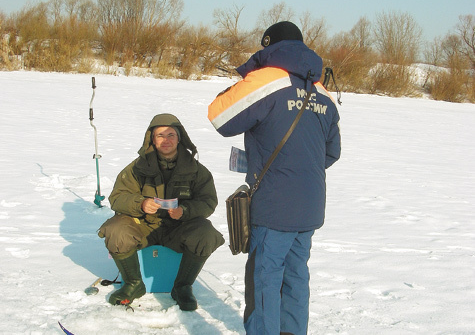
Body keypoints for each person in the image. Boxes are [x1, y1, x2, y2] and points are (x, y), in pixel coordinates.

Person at [208, 21, 341, 334]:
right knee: (296, 277)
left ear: (268, 47)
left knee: (266, 281)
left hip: (273, 207)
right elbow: (331, 153)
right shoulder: (323, 92)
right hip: (310, 207)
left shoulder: (266, 79)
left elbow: (219, 115)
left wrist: (248, 76)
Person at [98, 113, 224, 311]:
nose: (166, 140)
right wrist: (140, 204)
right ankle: (133, 284)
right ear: (152, 139)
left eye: (171, 135)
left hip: (179, 229)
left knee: (206, 234)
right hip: (143, 227)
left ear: (179, 138)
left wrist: (185, 210)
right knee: (115, 229)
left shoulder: (197, 170)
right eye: (160, 135)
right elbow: (117, 197)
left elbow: (208, 201)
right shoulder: (136, 168)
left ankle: (182, 287)